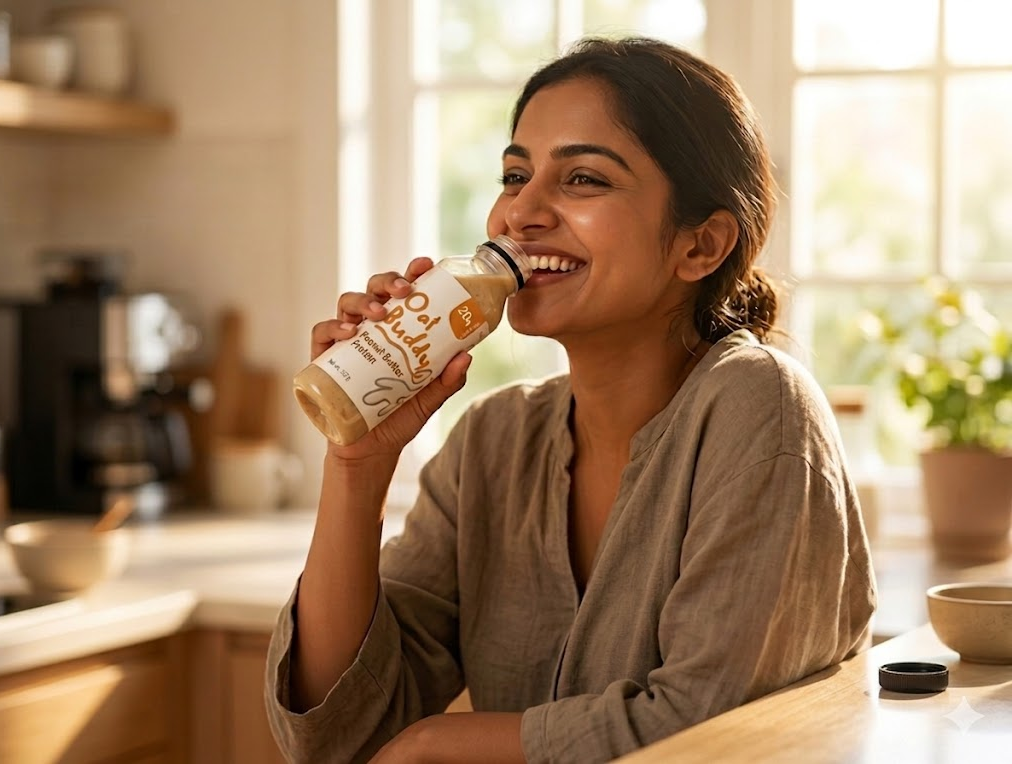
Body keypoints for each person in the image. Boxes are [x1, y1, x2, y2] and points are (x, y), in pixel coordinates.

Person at [265, 36, 877, 764]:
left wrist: (434, 742)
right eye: (514, 174)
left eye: (583, 178)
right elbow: (337, 733)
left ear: (701, 246)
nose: (520, 213)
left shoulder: (757, 402)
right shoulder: (496, 440)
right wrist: (358, 465)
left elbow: (709, 732)